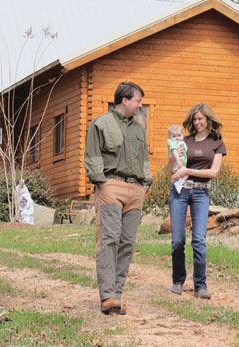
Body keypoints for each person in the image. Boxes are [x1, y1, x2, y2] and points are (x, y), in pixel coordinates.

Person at [84, 81, 152, 315]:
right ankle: (107, 296)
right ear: (125, 100)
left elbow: (144, 158)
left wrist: (145, 183)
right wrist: (101, 182)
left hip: (136, 190)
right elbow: (92, 154)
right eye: (138, 101)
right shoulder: (101, 123)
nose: (140, 106)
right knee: (109, 239)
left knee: (127, 244)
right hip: (111, 186)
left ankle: (117, 297)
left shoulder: (138, 128)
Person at [167, 103, 226, 300]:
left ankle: (200, 285)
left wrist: (190, 171)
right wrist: (171, 160)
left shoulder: (216, 143)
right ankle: (178, 281)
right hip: (180, 192)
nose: (197, 122)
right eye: (195, 119)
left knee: (199, 240)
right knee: (177, 240)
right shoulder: (184, 141)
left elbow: (214, 172)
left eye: (200, 118)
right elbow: (172, 171)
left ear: (208, 119)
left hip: (201, 193)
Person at [167, 124, 188, 194]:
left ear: (183, 135)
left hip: (183, 165)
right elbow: (174, 151)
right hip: (177, 164)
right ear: (169, 137)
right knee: (185, 174)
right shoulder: (172, 143)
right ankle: (178, 184)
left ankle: (178, 183)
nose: (177, 138)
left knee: (187, 173)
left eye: (179, 136)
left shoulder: (183, 143)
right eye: (174, 136)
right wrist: (178, 161)